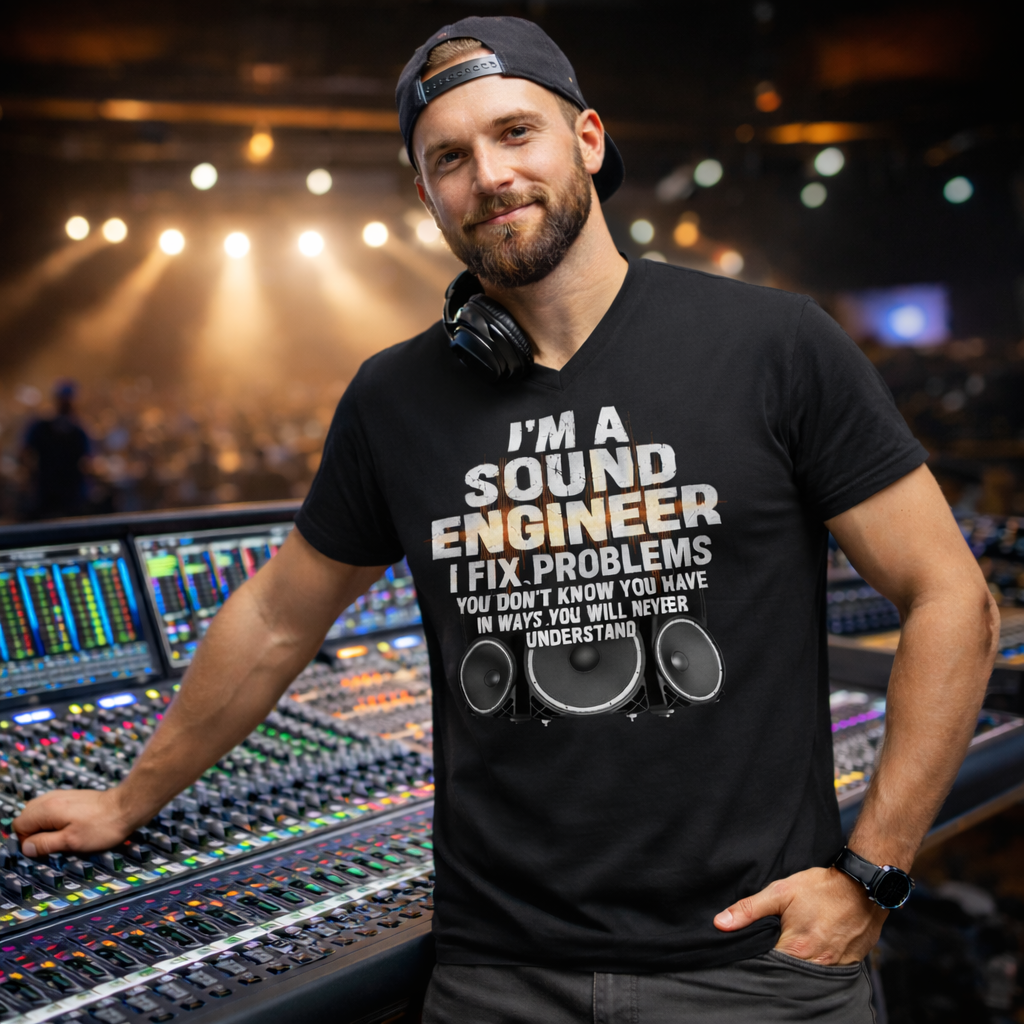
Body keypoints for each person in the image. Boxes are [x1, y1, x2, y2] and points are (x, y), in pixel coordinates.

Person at [13, 17, 998, 1023]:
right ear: (426, 194)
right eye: (449, 157)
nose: (488, 175)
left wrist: (872, 873)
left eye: (515, 132)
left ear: (588, 140)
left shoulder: (774, 344)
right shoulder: (393, 399)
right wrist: (128, 799)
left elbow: (949, 596)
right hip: (498, 978)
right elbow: (274, 618)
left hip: (758, 973)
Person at [20, 379, 91, 519]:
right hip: (51, 491)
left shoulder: (78, 430)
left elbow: (24, 453)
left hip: (65, 492)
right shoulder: (43, 426)